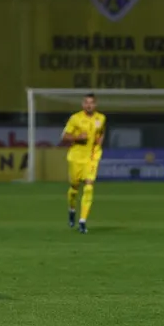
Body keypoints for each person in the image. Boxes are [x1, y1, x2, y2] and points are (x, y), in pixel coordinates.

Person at [60, 93, 106, 234]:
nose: (89, 105)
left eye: (91, 102)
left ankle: (82, 221)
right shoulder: (75, 118)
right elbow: (64, 137)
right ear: (82, 104)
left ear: (95, 104)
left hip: (92, 157)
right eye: (86, 102)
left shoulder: (101, 118)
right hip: (76, 157)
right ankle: (72, 209)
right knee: (74, 187)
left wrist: (99, 142)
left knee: (89, 187)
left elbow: (101, 132)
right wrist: (77, 137)